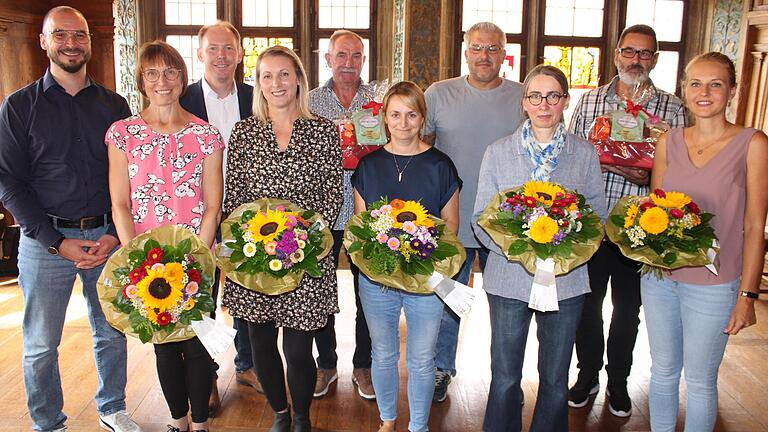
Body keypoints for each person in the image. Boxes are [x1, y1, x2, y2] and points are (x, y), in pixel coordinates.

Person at [0, 6, 141, 432]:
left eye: (79, 35)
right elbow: (9, 183)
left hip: (105, 238)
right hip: (44, 240)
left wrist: (115, 234)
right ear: (44, 41)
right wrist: (54, 241)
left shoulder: (115, 106)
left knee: (111, 333)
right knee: (41, 344)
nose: (71, 42)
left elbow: (130, 177)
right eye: (60, 35)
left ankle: (112, 407)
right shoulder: (18, 106)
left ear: (90, 43)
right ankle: (48, 422)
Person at [472, 65, 606, 432]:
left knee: (555, 379)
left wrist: (568, 246)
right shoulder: (498, 152)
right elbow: (482, 215)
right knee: (504, 377)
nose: (543, 104)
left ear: (564, 101)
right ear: (524, 102)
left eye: (552, 96)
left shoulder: (584, 154)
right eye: (535, 96)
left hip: (567, 283)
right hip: (510, 279)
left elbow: (597, 216)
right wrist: (521, 250)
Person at [643, 52, 767, 431]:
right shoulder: (669, 142)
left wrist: (747, 297)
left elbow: (754, 224)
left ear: (732, 90)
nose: (705, 92)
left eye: (716, 84)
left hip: (714, 285)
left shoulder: (753, 143)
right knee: (662, 371)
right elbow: (655, 213)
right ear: (684, 90)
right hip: (660, 279)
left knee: (699, 380)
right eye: (696, 83)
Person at [567, 24, 687, 417]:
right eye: (630, 52)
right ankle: (587, 376)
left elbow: (683, 169)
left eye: (646, 53)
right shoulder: (589, 102)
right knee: (587, 305)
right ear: (616, 54)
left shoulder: (672, 108)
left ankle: (618, 381)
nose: (636, 60)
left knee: (627, 309)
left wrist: (650, 174)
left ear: (656, 59)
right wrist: (608, 161)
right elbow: (572, 156)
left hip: (642, 229)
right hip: (592, 222)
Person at [221, 45, 343, 432]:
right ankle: (279, 413)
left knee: (297, 347)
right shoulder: (243, 132)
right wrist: (250, 247)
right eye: (268, 76)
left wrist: (298, 241)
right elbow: (235, 195)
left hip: (306, 256)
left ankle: (302, 416)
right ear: (258, 83)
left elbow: (331, 194)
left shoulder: (323, 131)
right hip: (255, 260)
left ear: (299, 80)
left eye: (284, 74)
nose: (277, 83)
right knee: (261, 345)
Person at [106, 40, 224, 432]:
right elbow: (120, 203)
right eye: (153, 73)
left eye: (170, 72)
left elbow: (212, 204)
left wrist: (198, 257)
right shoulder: (122, 135)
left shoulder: (206, 136)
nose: (162, 81)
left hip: (196, 259)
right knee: (165, 344)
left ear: (182, 77)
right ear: (141, 80)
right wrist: (135, 258)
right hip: (147, 264)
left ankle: (202, 423)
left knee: (197, 341)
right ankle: (178, 420)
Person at [423, 21, 524, 403]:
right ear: (466, 52)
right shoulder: (439, 94)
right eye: (477, 48)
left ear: (504, 54)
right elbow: (423, 151)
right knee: (449, 299)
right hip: (452, 221)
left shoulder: (521, 97)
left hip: (507, 225)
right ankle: (440, 368)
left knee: (507, 307)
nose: (485, 55)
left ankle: (505, 378)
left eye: (493, 48)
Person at [353, 81, 461, 432]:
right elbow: (360, 229)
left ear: (422, 118)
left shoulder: (441, 165)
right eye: (396, 114)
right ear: (384, 118)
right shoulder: (368, 167)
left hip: (427, 279)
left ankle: (418, 426)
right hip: (377, 281)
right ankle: (387, 420)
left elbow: (451, 226)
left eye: (411, 115)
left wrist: (419, 256)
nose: (403, 123)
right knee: (382, 354)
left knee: (421, 359)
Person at [178, 20, 261, 411]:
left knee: (248, 288)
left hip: (248, 212)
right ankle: (205, 372)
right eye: (213, 49)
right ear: (200, 54)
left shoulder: (256, 96)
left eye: (229, 48)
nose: (222, 56)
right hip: (198, 212)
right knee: (202, 294)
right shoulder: (182, 99)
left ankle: (247, 363)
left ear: (240, 54)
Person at [307, 29, 375, 400]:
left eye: (356, 56)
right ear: (328, 59)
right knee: (320, 289)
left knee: (368, 292)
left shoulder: (378, 100)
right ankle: (327, 363)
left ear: (363, 60)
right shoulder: (311, 102)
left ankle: (363, 363)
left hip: (369, 209)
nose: (349, 63)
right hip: (323, 210)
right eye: (341, 55)